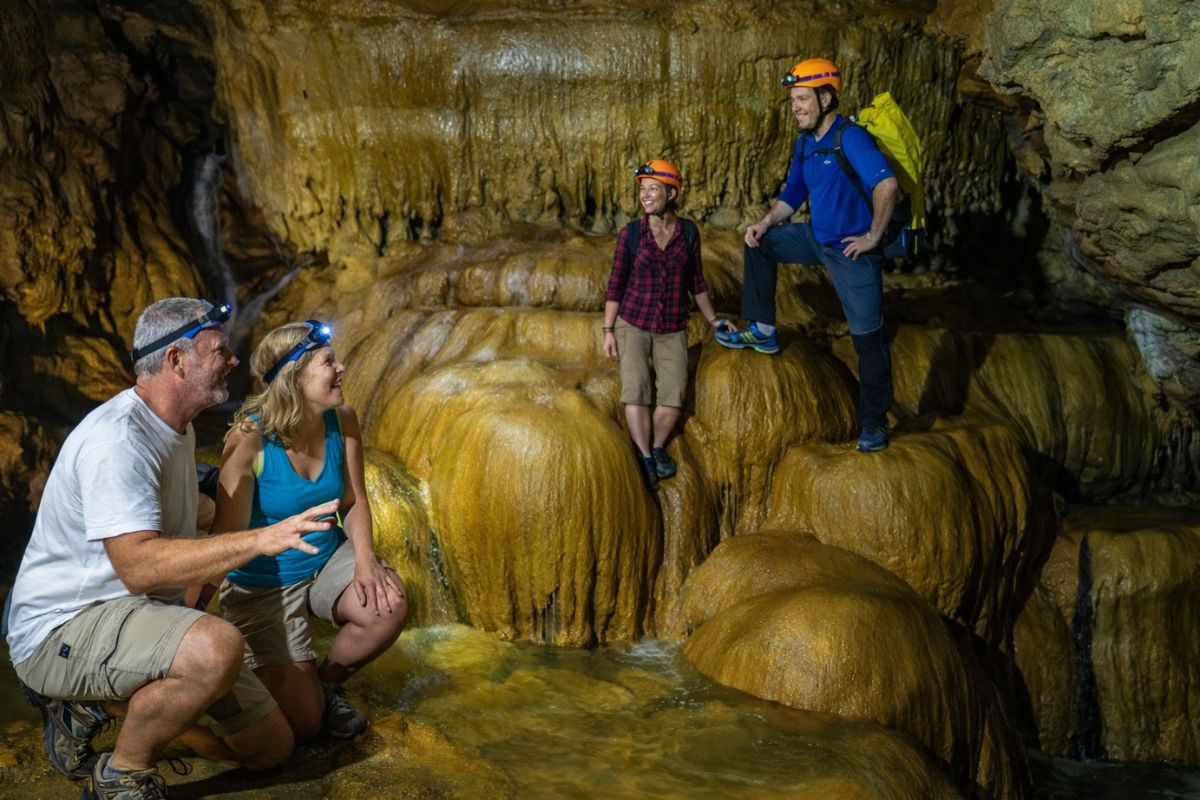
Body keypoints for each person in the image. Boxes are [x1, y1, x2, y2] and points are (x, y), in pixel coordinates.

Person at [5, 297, 339, 798]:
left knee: (273, 748)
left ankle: (102, 707)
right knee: (217, 647)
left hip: (135, 615)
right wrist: (259, 539)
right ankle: (122, 773)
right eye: (219, 351)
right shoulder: (118, 442)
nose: (232, 359)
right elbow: (139, 566)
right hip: (62, 626)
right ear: (176, 361)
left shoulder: (173, 426)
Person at [212, 320, 407, 744]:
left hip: (324, 561)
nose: (342, 368)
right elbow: (222, 540)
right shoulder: (251, 440)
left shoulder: (343, 420)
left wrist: (365, 561)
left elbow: (354, 501)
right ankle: (255, 677)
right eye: (329, 362)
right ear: (294, 377)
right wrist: (188, 621)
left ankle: (327, 684)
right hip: (263, 584)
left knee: (386, 607)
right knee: (304, 727)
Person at [716, 58, 899, 452]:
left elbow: (886, 184)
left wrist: (872, 236)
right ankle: (763, 330)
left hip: (852, 252)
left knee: (868, 341)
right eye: (793, 100)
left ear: (826, 97)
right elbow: (794, 193)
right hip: (818, 239)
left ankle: (874, 422)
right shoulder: (805, 143)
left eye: (802, 98)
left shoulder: (850, 138)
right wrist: (765, 222)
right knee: (760, 243)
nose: (795, 107)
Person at [602, 159, 726, 489]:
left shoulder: (687, 232)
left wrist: (714, 320)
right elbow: (615, 284)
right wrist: (608, 330)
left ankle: (657, 446)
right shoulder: (630, 235)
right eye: (642, 190)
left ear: (671, 193)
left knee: (672, 398)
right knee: (636, 391)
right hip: (633, 322)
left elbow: (697, 282)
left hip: (672, 325)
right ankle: (644, 455)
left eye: (653, 189)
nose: (645, 195)